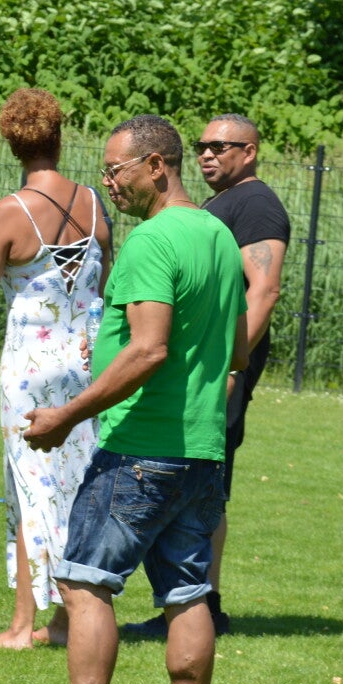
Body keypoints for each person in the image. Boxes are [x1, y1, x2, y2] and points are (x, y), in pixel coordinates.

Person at [0, 115, 247, 684]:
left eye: (116, 170)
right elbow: (236, 351)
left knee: (83, 585)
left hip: (139, 447)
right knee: (188, 593)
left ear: (157, 166)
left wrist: (65, 416)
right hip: (201, 451)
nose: (108, 182)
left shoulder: (151, 241)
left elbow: (148, 349)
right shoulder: (219, 236)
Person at [0, 88, 110, 650]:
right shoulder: (93, 203)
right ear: (59, 136)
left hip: (29, 369)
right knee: (75, 486)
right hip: (85, 364)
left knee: (29, 487)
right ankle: (65, 620)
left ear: (11, 144)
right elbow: (104, 286)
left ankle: (20, 627)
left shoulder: (11, 211)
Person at [127, 114, 288, 640]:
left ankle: (202, 605)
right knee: (192, 476)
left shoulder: (257, 204)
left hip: (222, 370)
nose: (207, 154)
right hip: (205, 365)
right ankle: (189, 601)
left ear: (251, 151)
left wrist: (231, 365)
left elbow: (263, 290)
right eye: (201, 146)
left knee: (203, 484)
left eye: (220, 146)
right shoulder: (222, 204)